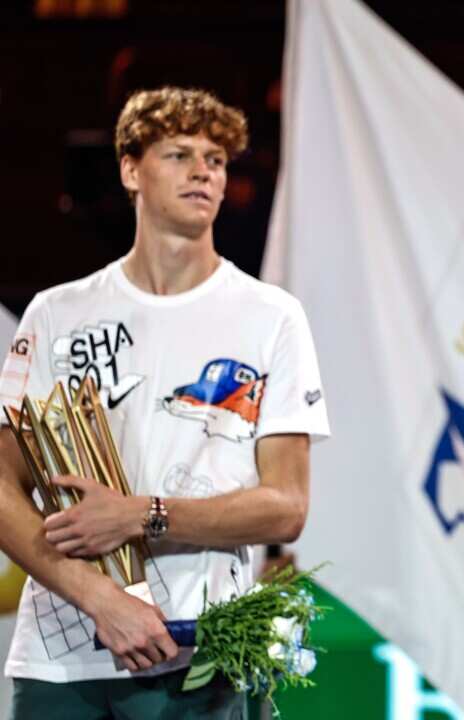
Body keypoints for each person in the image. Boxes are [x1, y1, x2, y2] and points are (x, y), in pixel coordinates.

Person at [0, 87, 329, 719]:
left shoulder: (272, 317)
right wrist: (99, 599)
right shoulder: (57, 314)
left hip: (204, 651)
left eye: (217, 159)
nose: (204, 170)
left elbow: (286, 508)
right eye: (179, 154)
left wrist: (141, 515)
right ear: (130, 170)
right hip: (62, 658)